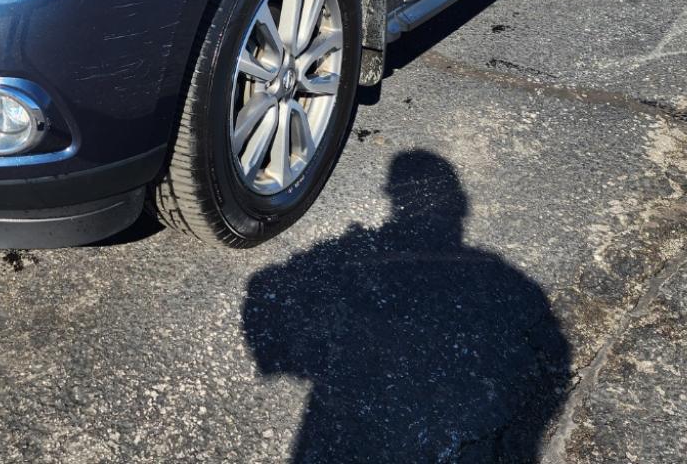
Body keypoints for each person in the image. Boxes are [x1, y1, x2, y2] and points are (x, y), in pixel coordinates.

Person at [242, 150, 571, 463]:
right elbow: (556, 353)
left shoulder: (498, 276)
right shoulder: (504, 277)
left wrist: (283, 359)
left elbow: (264, 284)